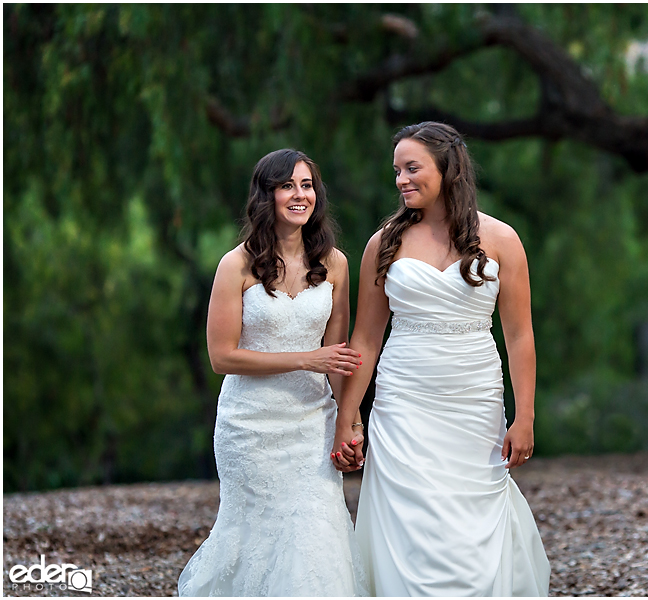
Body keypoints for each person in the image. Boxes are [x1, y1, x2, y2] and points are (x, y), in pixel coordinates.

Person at [331, 122, 550, 596]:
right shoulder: (383, 243)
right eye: (396, 171)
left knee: (471, 519)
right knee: (409, 519)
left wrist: (526, 415)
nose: (401, 180)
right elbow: (365, 340)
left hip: (474, 399)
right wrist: (348, 418)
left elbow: (519, 335)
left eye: (412, 168)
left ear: (448, 169)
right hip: (403, 398)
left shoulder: (502, 239)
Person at [178, 149, 369, 596]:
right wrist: (307, 359)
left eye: (307, 185)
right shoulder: (236, 264)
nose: (300, 195)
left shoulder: (336, 263)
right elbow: (222, 358)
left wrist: (351, 424)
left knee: (316, 536)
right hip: (250, 426)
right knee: (254, 540)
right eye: (288, 185)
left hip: (310, 424)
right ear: (267, 195)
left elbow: (336, 359)